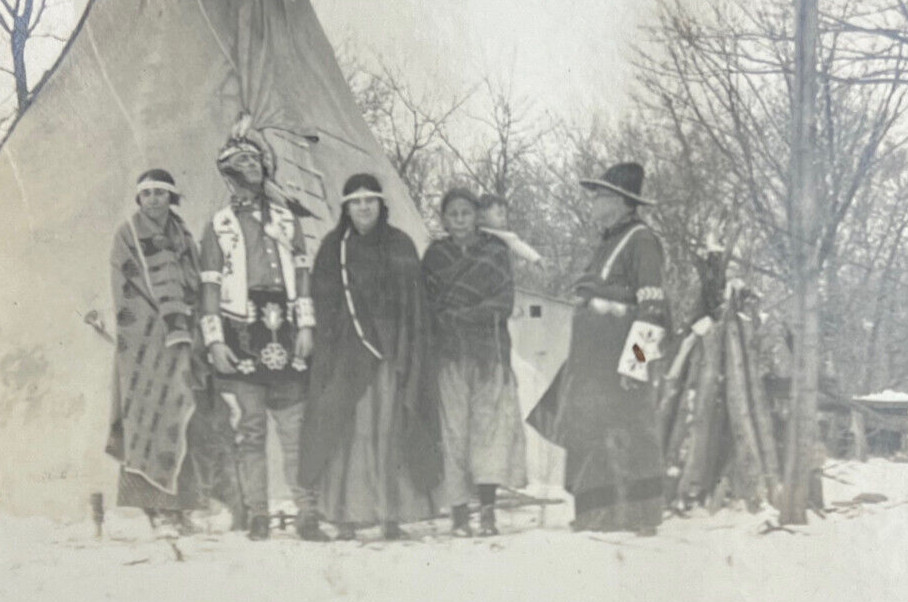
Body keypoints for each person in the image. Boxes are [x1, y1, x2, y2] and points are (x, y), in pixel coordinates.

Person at [298, 173, 442, 541]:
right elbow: (324, 304)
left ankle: (392, 516)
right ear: (346, 208)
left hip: (391, 357)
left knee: (391, 431)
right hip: (348, 357)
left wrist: (403, 347)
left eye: (370, 201)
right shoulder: (334, 248)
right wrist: (337, 345)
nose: (364, 208)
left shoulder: (401, 245)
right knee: (350, 432)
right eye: (356, 202)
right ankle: (349, 514)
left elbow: (415, 307)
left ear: (381, 204)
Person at [527, 162, 669, 535]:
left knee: (628, 434)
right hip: (592, 361)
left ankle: (638, 517)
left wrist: (635, 365)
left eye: (601, 196)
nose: (593, 202)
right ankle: (595, 514)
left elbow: (652, 308)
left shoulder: (641, 241)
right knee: (588, 431)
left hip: (618, 363)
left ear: (622, 202)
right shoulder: (608, 241)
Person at [198, 115, 322, 541]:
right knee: (250, 429)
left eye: (256, 164)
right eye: (242, 166)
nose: (250, 171)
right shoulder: (218, 225)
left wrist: (306, 327)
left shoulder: (288, 221)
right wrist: (214, 341)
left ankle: (307, 511)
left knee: (295, 427)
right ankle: (258, 515)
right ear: (229, 176)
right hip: (240, 327)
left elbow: (303, 275)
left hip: (285, 326)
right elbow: (209, 285)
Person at [422, 188, 528, 537]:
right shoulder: (435, 256)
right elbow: (429, 306)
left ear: (476, 216)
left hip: (489, 354)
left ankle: (488, 511)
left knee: (488, 432)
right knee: (454, 431)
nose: (460, 220)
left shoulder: (496, 253)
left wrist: (462, 315)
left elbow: (504, 301)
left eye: (466, 213)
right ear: (444, 219)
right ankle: (458, 513)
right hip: (450, 355)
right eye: (453, 214)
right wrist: (455, 319)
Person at [107, 168, 206, 538]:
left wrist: (189, 324)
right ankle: (155, 508)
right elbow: (126, 289)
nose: (153, 200)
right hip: (145, 346)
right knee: (147, 419)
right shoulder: (127, 235)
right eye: (146, 194)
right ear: (139, 199)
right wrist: (161, 328)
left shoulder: (182, 235)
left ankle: (180, 506)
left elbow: (193, 282)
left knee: (182, 417)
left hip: (182, 342)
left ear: (171, 198)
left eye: (160, 194)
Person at [476, 192, 543, 267]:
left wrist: (536, 258)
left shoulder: (503, 235)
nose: (504, 219)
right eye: (499, 214)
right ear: (481, 216)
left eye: (505, 215)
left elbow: (518, 245)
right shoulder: (473, 231)